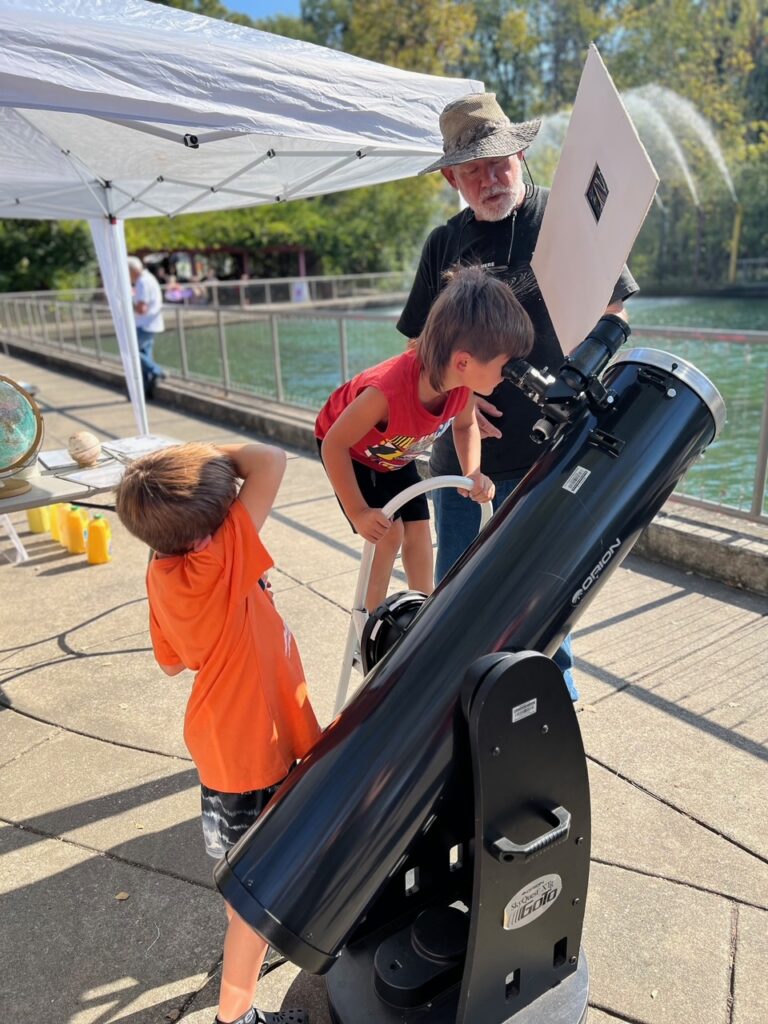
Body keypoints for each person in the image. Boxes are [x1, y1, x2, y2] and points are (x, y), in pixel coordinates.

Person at [398, 93, 640, 700]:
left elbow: (616, 312)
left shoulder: (568, 221)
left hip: (548, 451)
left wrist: (576, 378)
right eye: (471, 169)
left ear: (522, 152)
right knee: (455, 591)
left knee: (544, 588)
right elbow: (415, 350)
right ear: (452, 176)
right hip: (461, 459)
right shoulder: (442, 244)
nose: (488, 178)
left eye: (498, 162)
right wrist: (456, 394)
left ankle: (554, 707)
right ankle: (455, 707)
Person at [115, 441, 320, 1024]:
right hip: (253, 753)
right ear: (211, 532)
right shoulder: (220, 552)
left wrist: (172, 477)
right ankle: (235, 1017)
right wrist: (202, 455)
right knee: (251, 906)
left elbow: (173, 659)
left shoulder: (163, 571)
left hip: (229, 747)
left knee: (252, 884)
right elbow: (270, 460)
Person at [316, 264, 534, 612]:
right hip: (352, 450)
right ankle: (371, 624)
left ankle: (424, 615)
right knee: (387, 534)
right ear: (464, 361)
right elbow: (334, 445)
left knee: (419, 532)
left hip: (395, 451)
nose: (507, 376)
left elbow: (465, 427)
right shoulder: (385, 393)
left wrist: (473, 471)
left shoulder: (461, 387)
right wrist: (358, 511)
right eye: (504, 365)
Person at [127, 255, 167, 399]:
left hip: (145, 324)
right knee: (144, 354)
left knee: (131, 352)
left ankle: (157, 371)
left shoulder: (142, 282)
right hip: (149, 323)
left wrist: (126, 304)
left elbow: (141, 308)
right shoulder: (146, 279)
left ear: (132, 270)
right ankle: (147, 388)